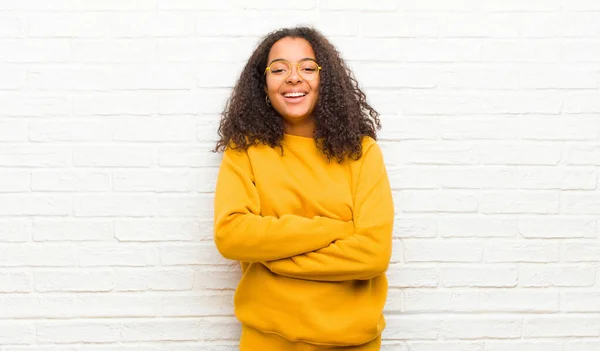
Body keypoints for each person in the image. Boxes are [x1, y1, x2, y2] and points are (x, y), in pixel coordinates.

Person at [212, 26, 394, 350]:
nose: (294, 78)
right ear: (263, 84)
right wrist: (335, 229)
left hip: (353, 343)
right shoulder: (245, 150)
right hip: (267, 342)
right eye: (279, 69)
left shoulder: (362, 152)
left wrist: (272, 256)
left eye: (308, 68)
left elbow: (374, 254)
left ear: (326, 81)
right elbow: (231, 234)